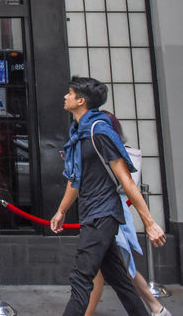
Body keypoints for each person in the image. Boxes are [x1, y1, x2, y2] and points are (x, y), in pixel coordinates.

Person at [51, 77, 166, 316]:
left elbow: (126, 180)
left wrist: (150, 222)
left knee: (81, 278)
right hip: (91, 211)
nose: (65, 97)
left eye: (69, 93)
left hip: (103, 214)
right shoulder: (79, 134)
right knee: (121, 280)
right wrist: (61, 210)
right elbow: (76, 179)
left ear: (80, 101)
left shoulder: (99, 131)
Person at [85, 111, 172, 316]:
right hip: (107, 211)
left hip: (108, 212)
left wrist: (149, 223)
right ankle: (156, 308)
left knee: (107, 267)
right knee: (119, 265)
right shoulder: (105, 147)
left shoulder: (106, 149)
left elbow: (124, 183)